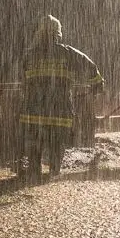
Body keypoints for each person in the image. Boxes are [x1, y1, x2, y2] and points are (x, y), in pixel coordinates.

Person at [18, 14, 105, 182]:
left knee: (34, 142)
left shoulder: (29, 55)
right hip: (60, 109)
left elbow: (22, 82)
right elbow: (90, 68)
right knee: (57, 142)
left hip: (34, 109)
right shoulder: (68, 53)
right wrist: (96, 85)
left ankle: (34, 172)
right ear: (58, 33)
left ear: (39, 33)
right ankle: (54, 171)